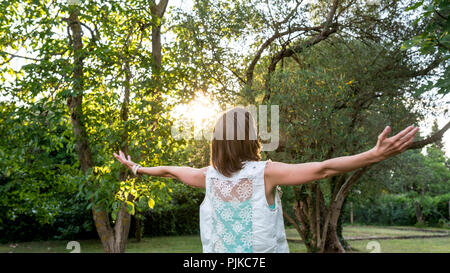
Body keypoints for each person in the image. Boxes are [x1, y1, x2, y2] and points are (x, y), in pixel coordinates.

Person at [113, 107, 419, 253]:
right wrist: (373, 155)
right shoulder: (265, 173)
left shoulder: (206, 177)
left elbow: (168, 170)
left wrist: (137, 168)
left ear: (217, 142)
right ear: (249, 139)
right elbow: (323, 169)